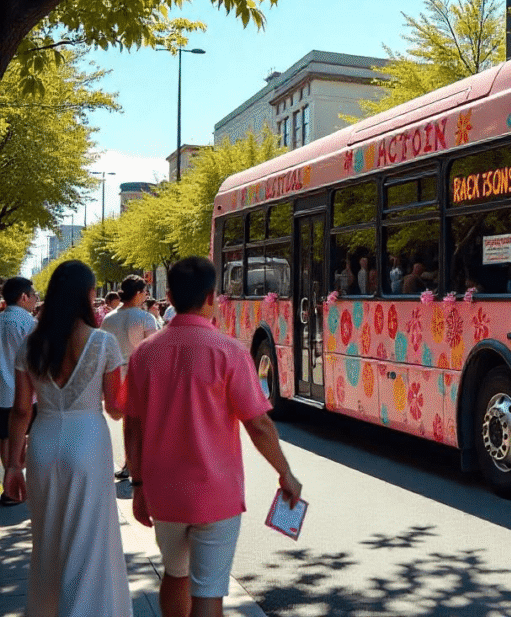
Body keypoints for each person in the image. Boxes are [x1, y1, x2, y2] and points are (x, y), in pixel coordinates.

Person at [125, 256, 302, 617]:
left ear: (170, 297)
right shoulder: (231, 352)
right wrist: (284, 472)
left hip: (164, 492)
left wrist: (139, 485)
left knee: (175, 574)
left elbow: (132, 424)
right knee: (208, 593)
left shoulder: (145, 354)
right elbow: (258, 424)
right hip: (216, 494)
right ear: (212, 296)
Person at [2, 260, 132, 614]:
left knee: (47, 541)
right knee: (89, 543)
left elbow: (20, 411)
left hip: (43, 442)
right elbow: (118, 409)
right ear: (88, 295)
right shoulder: (103, 343)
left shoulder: (30, 345)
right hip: (88, 441)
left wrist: (12, 464)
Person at [102, 274, 159, 481]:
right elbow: (153, 350)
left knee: (129, 422)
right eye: (145, 292)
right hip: (140, 374)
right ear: (137, 294)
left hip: (116, 375)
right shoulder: (145, 318)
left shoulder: (109, 319)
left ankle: (130, 463)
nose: (146, 295)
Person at [0, 277, 38, 507]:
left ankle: (10, 486)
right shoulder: (29, 323)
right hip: (24, 390)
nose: (35, 300)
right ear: (24, 297)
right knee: (28, 436)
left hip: (2, 391)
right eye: (34, 295)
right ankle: (21, 484)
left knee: (5, 438)